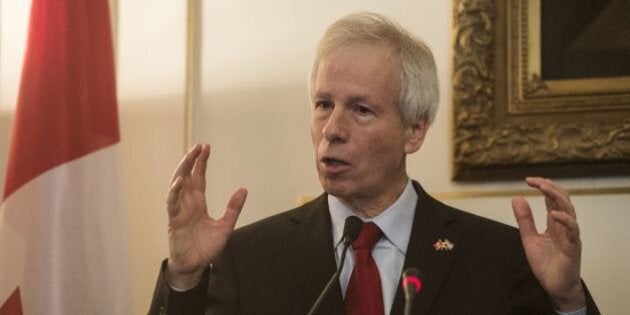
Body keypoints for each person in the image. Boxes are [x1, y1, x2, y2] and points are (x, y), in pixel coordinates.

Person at [149, 12, 599, 315]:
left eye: (361, 109)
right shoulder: (248, 257)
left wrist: (567, 301)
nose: (332, 129)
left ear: (415, 130)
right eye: (323, 104)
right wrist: (185, 278)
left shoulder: (496, 256)